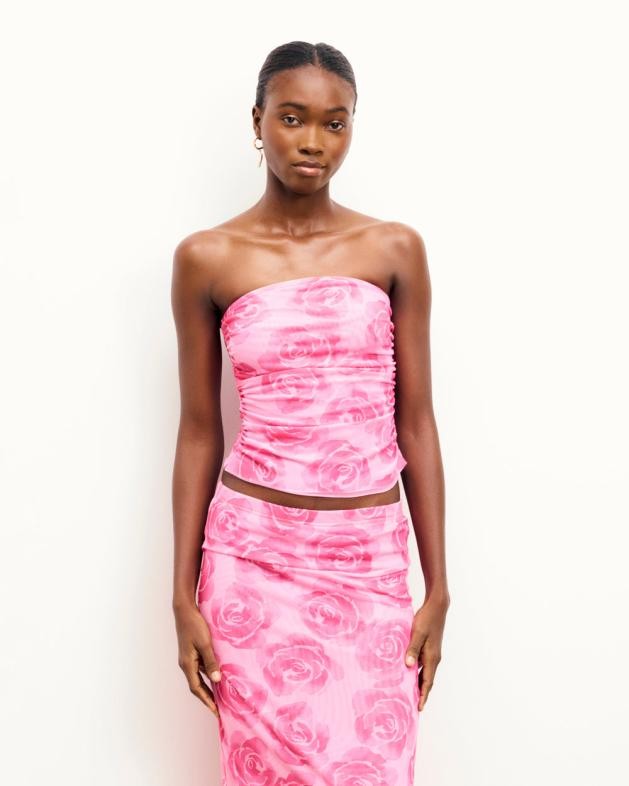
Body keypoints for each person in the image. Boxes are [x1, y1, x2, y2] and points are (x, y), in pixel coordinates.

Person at [171, 40, 449, 785]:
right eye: (292, 118)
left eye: (335, 122)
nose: (313, 141)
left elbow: (416, 423)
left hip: (369, 559)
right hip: (251, 565)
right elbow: (198, 431)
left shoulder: (393, 249)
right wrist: (181, 594)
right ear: (257, 122)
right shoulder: (206, 258)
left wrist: (438, 586)